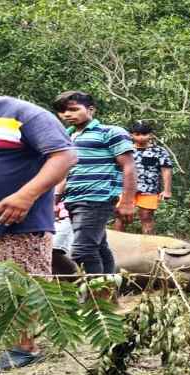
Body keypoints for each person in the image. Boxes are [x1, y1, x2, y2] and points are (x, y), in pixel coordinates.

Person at [0, 59, 77, 373]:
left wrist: (26, 195)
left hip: (12, 221)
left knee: (18, 283)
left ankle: (24, 347)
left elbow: (64, 155)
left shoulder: (23, 113)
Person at [53, 91, 136, 275]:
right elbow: (66, 171)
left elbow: (129, 166)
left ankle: (96, 298)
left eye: (74, 109)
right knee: (99, 248)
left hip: (98, 198)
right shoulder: (67, 136)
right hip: (73, 199)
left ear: (91, 109)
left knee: (82, 251)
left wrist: (128, 201)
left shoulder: (111, 132)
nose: (67, 115)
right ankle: (108, 296)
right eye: (62, 111)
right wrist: (55, 199)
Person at [113, 121, 172, 235]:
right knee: (121, 216)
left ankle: (148, 249)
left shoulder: (159, 151)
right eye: (137, 134)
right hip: (125, 189)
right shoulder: (124, 150)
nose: (141, 137)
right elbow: (115, 168)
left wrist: (167, 190)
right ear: (131, 135)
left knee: (146, 216)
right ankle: (116, 247)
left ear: (151, 135)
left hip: (149, 190)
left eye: (144, 134)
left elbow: (166, 170)